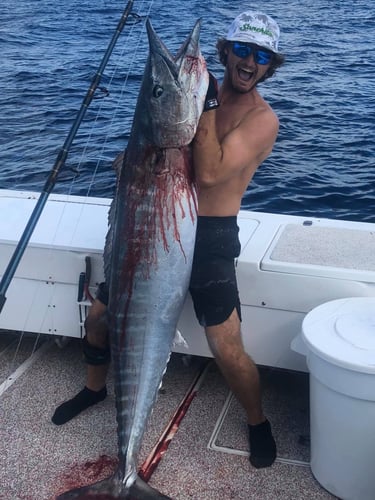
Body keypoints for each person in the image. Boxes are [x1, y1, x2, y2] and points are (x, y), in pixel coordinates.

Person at [52, 10, 285, 469]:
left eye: (260, 55)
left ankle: (258, 422)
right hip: (153, 226)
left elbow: (213, 171)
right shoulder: (200, 92)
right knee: (99, 316)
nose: (249, 61)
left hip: (211, 235)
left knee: (226, 345)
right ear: (226, 51)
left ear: (269, 66)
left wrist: (202, 108)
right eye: (241, 49)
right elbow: (155, 142)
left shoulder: (261, 119)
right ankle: (95, 390)